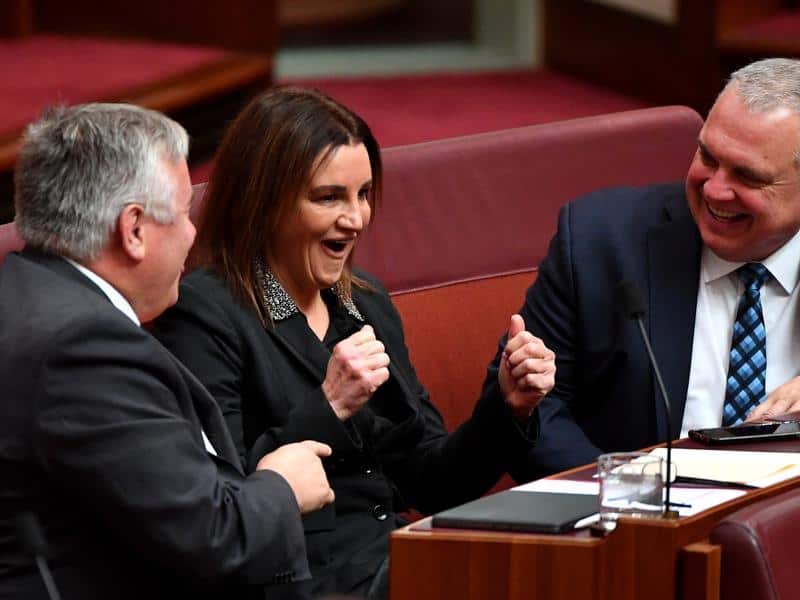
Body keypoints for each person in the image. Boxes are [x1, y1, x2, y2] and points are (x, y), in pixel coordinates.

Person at [153, 87, 556, 598]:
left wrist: (508, 405)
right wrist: (329, 404)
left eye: (363, 194)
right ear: (265, 201)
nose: (356, 217)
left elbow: (431, 482)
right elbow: (222, 500)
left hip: (395, 558)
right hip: (298, 577)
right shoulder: (203, 311)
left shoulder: (364, 303)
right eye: (329, 197)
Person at [0, 103, 335, 600]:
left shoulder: (25, 291)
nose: (192, 233)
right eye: (181, 213)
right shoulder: (83, 348)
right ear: (133, 229)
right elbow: (207, 536)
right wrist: (282, 488)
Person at [482, 57, 800, 479]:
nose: (714, 189)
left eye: (748, 176)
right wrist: (627, 491)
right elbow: (533, 410)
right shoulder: (601, 242)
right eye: (707, 155)